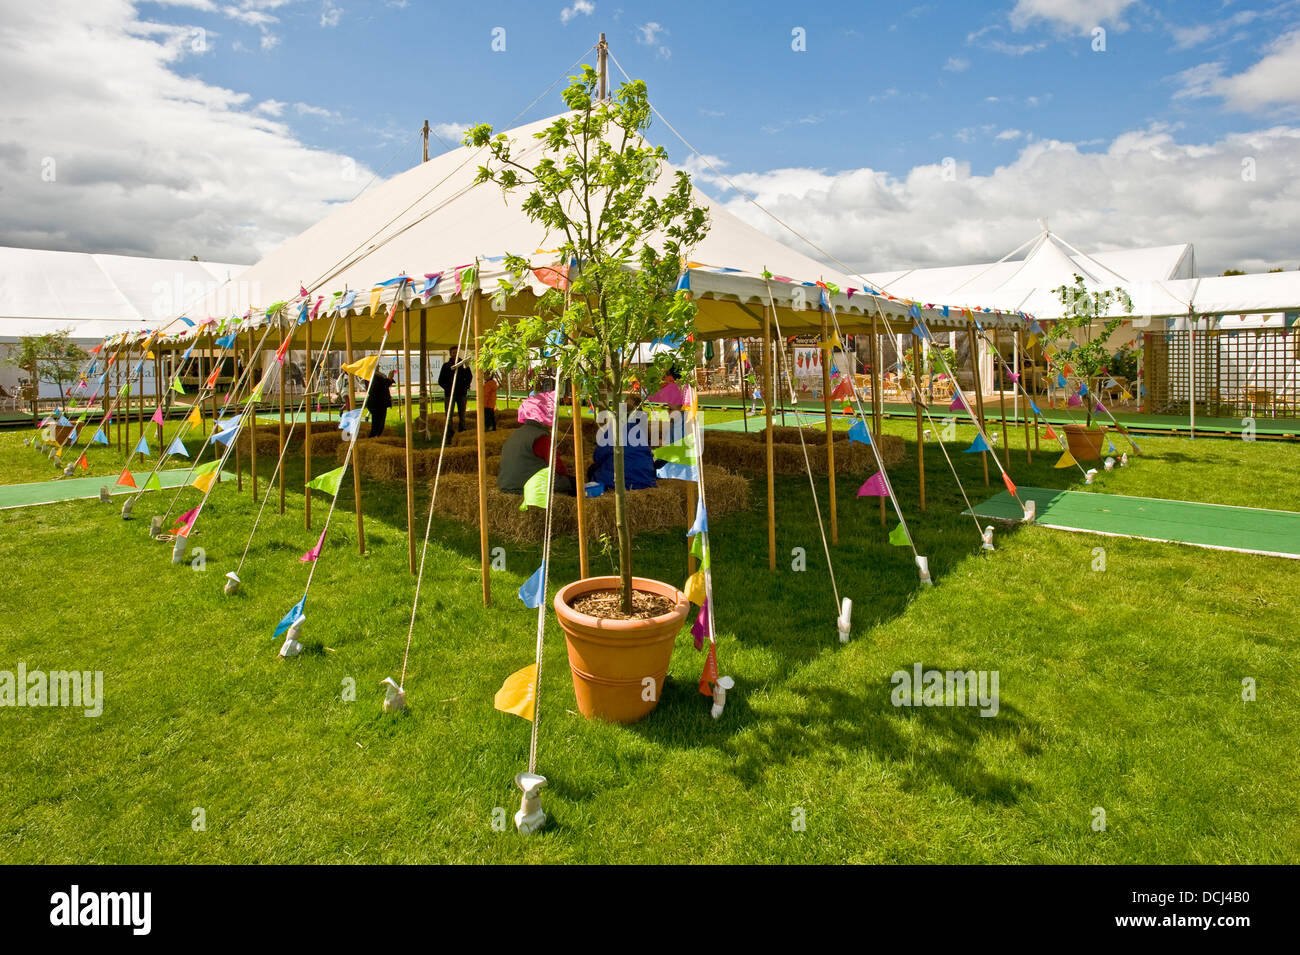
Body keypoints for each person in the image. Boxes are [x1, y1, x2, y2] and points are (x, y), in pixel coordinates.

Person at [498, 390, 576, 496]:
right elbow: (557, 466)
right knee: (573, 483)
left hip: (506, 484)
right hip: (526, 486)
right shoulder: (540, 437)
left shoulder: (515, 434)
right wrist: (566, 479)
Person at [588, 407, 659, 493]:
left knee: (592, 470)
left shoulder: (612, 430)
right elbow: (649, 457)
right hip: (645, 482)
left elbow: (598, 457)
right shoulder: (641, 433)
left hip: (615, 483)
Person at [438, 346, 473, 433]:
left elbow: (469, 376)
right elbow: (441, 380)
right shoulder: (446, 366)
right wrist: (449, 388)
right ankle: (449, 431)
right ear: (450, 354)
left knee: (462, 413)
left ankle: (462, 430)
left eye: (456, 352)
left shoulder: (464, 365)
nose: (455, 354)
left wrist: (466, 386)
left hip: (461, 393)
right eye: (453, 353)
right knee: (449, 414)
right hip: (450, 394)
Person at [365, 368, 394, 437]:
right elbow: (380, 387)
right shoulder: (373, 376)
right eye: (377, 365)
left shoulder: (376, 375)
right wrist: (389, 378)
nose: (379, 366)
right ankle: (372, 438)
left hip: (379, 403)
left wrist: (389, 379)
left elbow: (383, 386)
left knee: (380, 425)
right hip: (377, 404)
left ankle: (375, 438)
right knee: (377, 425)